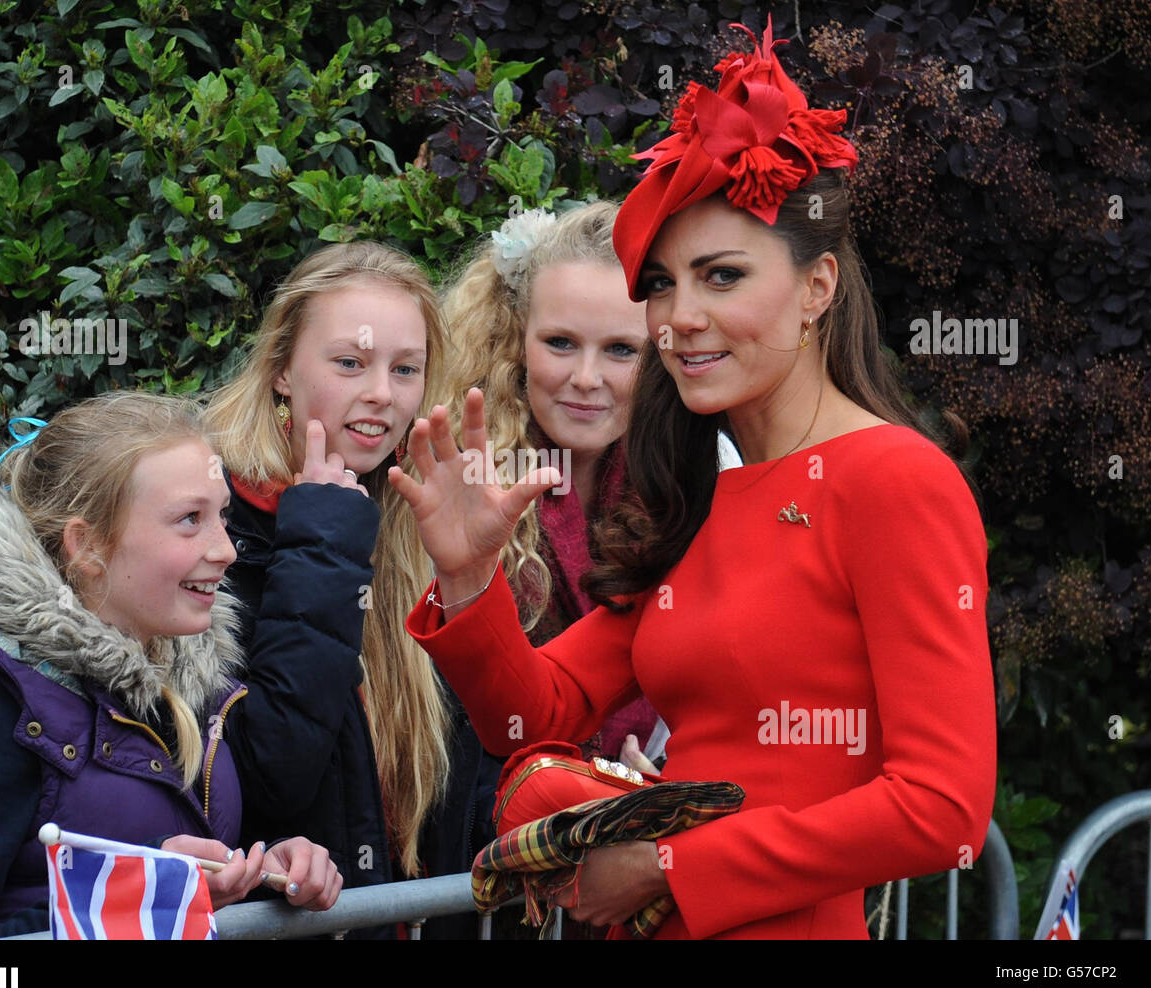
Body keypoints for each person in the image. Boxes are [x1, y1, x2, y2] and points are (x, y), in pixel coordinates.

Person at [391, 19, 996, 939]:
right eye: (665, 285)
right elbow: (531, 719)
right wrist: (471, 577)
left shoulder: (894, 481)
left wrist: (666, 864)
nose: (680, 318)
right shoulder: (702, 494)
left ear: (817, 287)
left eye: (721, 276)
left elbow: (941, 807)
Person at [0, 392, 341, 939]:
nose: (228, 550)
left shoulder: (191, 684)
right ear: (86, 546)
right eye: (190, 519)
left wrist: (266, 873)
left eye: (223, 516)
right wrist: (145, 898)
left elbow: (186, 878)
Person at [203, 242, 494, 938]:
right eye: (350, 363)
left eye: (405, 369)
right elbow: (273, 777)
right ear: (280, 369)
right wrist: (324, 542)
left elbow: (460, 774)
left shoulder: (410, 513)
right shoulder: (208, 524)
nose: (382, 394)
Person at [443, 201, 665, 772]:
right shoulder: (458, 475)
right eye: (560, 343)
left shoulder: (691, 476)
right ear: (519, 340)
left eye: (621, 350)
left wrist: (677, 769)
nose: (585, 378)